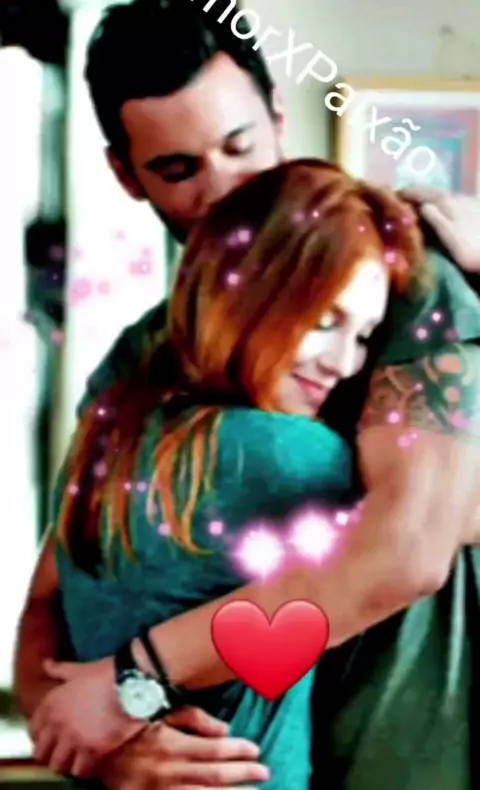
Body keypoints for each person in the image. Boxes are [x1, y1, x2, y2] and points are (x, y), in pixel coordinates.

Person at [14, 0, 480, 790]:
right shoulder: (140, 358)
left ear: (277, 120)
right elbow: (49, 603)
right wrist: (109, 744)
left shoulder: (402, 284)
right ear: (127, 176)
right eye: (179, 169)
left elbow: (408, 549)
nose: (225, 188)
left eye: (239, 145)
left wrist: (131, 681)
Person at [31, 158, 432, 790]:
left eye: (364, 335)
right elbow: (441, 522)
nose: (344, 363)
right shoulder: (284, 454)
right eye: (324, 321)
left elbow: (43, 602)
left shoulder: (111, 432)